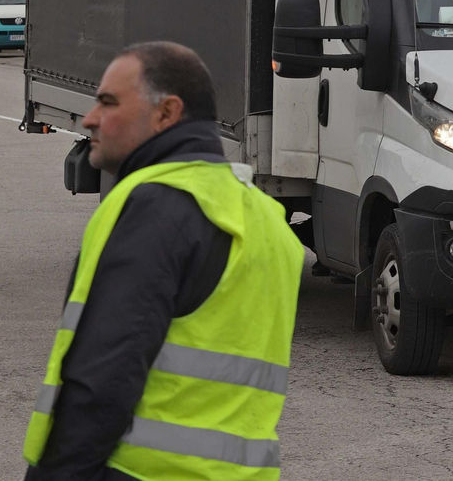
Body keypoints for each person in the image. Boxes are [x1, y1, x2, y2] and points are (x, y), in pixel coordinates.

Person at [23, 42, 304, 481]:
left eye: (108, 102)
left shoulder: (156, 206)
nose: (90, 118)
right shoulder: (267, 220)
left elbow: (102, 378)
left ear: (166, 113)